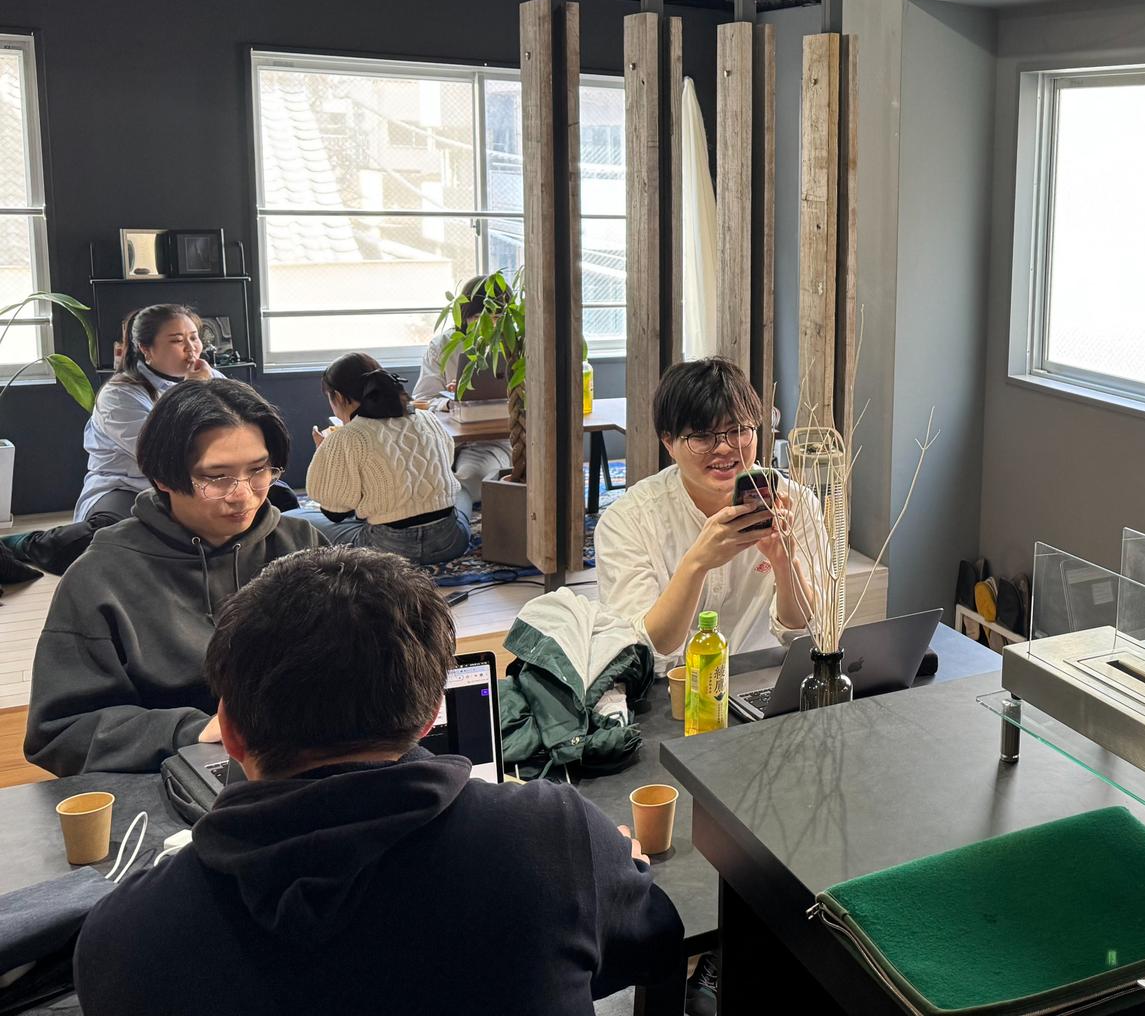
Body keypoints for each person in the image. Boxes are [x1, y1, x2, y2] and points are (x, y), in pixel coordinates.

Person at [73, 546, 684, 1016]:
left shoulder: (122, 938)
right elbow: (651, 945)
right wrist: (611, 869)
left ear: (227, 731)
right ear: (430, 715)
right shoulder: (552, 838)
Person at [25, 379, 323, 776]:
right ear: (163, 477)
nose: (244, 495)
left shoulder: (301, 545)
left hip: (304, 764)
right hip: (172, 776)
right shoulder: (102, 576)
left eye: (258, 471)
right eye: (216, 477)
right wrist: (191, 732)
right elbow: (60, 731)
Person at [596, 357, 814, 660]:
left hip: (764, 679)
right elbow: (644, 650)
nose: (724, 447)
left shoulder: (796, 505)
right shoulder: (628, 520)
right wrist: (696, 563)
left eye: (738, 430)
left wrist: (785, 563)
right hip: (672, 683)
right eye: (701, 436)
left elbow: (803, 633)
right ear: (668, 443)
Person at [0, 304, 222, 578]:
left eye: (194, 337)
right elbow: (161, 453)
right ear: (146, 349)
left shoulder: (211, 378)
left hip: (194, 486)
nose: (191, 348)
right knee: (108, 546)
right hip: (128, 487)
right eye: (177, 340)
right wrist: (194, 390)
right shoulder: (119, 394)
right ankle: (26, 544)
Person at [285, 352, 472, 564]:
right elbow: (443, 468)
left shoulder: (348, 436)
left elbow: (335, 513)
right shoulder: (429, 419)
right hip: (450, 542)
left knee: (292, 519)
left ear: (338, 396)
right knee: (462, 493)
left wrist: (325, 453)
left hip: (386, 550)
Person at [413, 273, 512, 506]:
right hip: (442, 439)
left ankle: (453, 514)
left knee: (472, 480)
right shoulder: (443, 344)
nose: (489, 324)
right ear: (464, 315)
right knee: (414, 476)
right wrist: (450, 401)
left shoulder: (514, 344)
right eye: (478, 317)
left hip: (490, 441)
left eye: (497, 317)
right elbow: (422, 399)